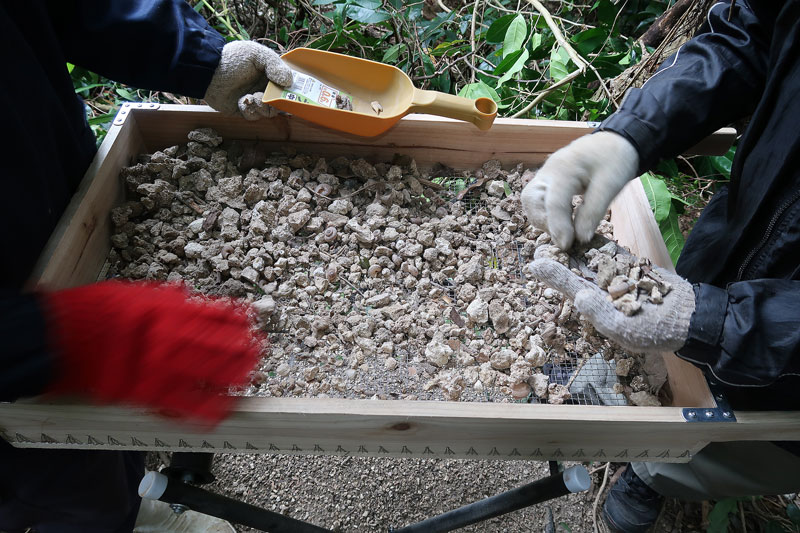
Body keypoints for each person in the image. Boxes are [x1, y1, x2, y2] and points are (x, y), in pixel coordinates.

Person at [1, 1, 292, 531]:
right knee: (55, 474)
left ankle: (128, 494)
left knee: (106, 430)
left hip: (49, 192)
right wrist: (47, 337)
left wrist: (198, 58)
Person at [521, 1, 800, 532]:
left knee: (734, 440)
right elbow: (750, 35)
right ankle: (635, 419)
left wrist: (718, 323)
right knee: (660, 359)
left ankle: (654, 476)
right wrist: (630, 134)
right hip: (741, 238)